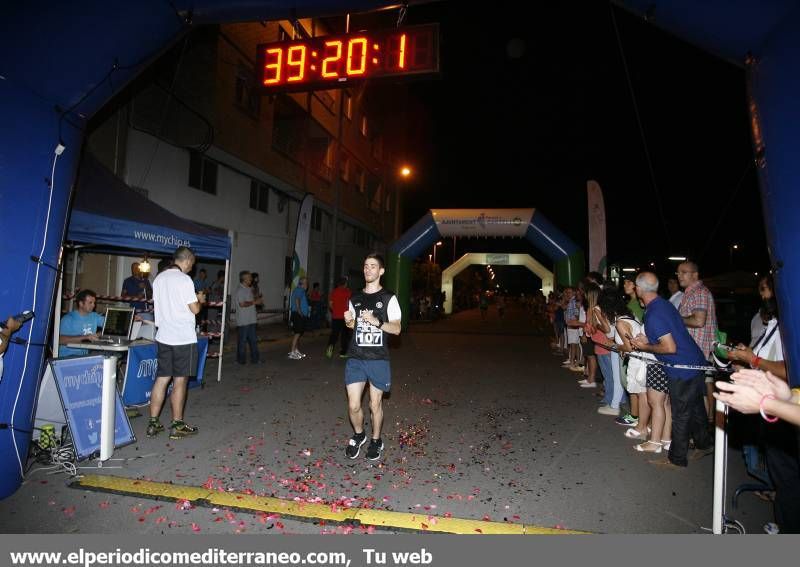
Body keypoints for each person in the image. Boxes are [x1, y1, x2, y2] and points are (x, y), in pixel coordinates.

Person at [631, 272, 712, 467]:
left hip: (682, 367)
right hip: (693, 361)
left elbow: (669, 347)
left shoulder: (654, 313)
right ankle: (704, 444)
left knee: (681, 413)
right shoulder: (664, 304)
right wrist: (649, 341)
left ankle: (676, 459)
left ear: (639, 289)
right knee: (695, 408)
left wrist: (644, 347)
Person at [343, 253, 402, 461]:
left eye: (373, 266)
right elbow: (352, 327)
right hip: (356, 357)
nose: (368, 269)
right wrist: (349, 321)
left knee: (375, 405)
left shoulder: (388, 298)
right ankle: (359, 435)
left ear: (381, 271)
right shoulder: (355, 298)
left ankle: (376, 440)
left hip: (378, 359)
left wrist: (377, 322)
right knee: (353, 405)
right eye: (366, 266)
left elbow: (396, 329)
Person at [147, 246, 205, 440]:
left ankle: (153, 423)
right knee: (180, 380)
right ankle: (177, 424)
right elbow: (195, 309)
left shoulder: (159, 279)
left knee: (162, 378)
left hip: (164, 336)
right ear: (187, 260)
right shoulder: (184, 280)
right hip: (182, 338)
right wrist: (200, 299)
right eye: (192, 264)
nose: (192, 267)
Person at [677, 260, 718, 423]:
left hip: (697, 351)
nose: (679, 275)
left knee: (693, 397)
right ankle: (700, 436)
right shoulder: (690, 293)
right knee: (695, 396)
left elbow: (698, 321)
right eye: (678, 272)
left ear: (695, 274)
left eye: (684, 272)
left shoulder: (699, 292)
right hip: (693, 351)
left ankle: (700, 436)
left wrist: (675, 319)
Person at [58, 290, 105, 357]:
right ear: (81, 303)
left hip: (85, 355)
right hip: (68, 356)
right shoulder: (68, 319)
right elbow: (60, 340)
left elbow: (109, 326)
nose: (93, 305)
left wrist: (99, 334)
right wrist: (86, 337)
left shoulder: (94, 316)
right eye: (90, 303)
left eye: (94, 303)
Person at [235, 270, 262, 364]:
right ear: (244, 279)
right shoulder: (240, 290)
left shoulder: (248, 289)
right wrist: (255, 302)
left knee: (253, 341)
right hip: (244, 321)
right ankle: (241, 361)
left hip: (251, 320)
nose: (251, 279)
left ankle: (255, 359)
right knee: (242, 342)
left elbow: (250, 301)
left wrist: (256, 299)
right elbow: (242, 304)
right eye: (249, 277)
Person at [326, 277, 352, 359]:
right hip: (345, 317)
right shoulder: (348, 292)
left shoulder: (334, 292)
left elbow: (330, 304)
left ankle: (330, 348)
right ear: (345, 283)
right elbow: (350, 304)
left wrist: (334, 311)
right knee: (345, 336)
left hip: (336, 317)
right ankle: (343, 353)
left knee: (334, 334)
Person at [289, 277, 310, 359]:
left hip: (298, 314)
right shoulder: (299, 290)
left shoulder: (300, 290)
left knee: (298, 333)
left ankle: (296, 350)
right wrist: (300, 312)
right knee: (297, 333)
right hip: (298, 315)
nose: (307, 285)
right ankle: (292, 352)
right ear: (302, 283)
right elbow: (297, 300)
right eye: (306, 283)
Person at [193, 268, 210, 333]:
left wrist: (206, 291)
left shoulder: (205, 282)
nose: (202, 275)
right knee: (197, 317)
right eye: (201, 274)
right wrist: (203, 291)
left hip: (203, 302)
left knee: (203, 317)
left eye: (203, 274)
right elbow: (195, 291)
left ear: (205, 275)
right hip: (197, 302)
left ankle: (201, 330)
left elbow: (207, 291)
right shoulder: (196, 281)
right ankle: (196, 330)